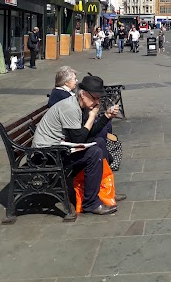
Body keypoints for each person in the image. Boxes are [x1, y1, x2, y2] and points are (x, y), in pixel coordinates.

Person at [32, 75, 124, 215]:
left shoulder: (80, 105)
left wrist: (106, 116)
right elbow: (79, 138)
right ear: (83, 94)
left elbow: (89, 133)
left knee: (99, 142)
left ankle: (103, 190)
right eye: (95, 98)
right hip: (46, 155)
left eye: (99, 98)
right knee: (94, 154)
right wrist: (93, 116)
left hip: (58, 147)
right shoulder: (70, 108)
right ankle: (90, 203)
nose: (97, 102)